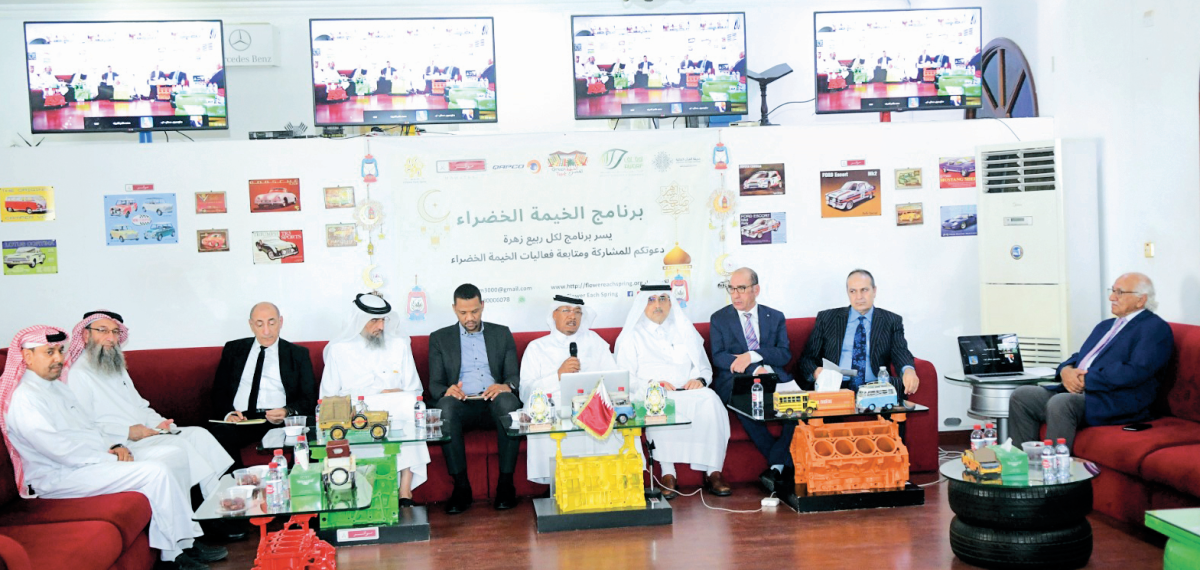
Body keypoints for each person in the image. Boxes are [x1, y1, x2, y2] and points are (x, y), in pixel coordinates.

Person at [1, 326, 221, 570]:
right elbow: (60, 451)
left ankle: (186, 540)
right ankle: (173, 555)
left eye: (60, 351)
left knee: (174, 455)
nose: (58, 359)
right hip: (59, 476)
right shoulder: (25, 399)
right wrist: (111, 458)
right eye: (49, 352)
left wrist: (114, 445)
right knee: (155, 472)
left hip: (90, 461)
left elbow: (89, 427)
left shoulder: (57, 387)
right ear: (28, 357)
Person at [63, 310, 234, 499]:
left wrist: (159, 423)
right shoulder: (77, 375)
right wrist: (127, 432)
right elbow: (83, 426)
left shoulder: (115, 367)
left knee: (199, 434)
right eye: (102, 330)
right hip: (118, 443)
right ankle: (215, 501)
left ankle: (219, 496)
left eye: (115, 332)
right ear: (86, 335)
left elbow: (140, 406)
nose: (110, 338)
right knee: (179, 445)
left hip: (144, 434)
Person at [1008, 273, 1173, 448]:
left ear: (1141, 300)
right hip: (1085, 394)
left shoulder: (1154, 328)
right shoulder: (1106, 325)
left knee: (1061, 403)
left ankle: (1054, 463)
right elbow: (1082, 356)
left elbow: (1136, 371)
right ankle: (1021, 461)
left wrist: (1087, 379)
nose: (1112, 297)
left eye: (1119, 292)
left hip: (1115, 401)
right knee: (1022, 396)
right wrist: (1066, 370)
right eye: (1112, 291)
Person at [615, 284, 730, 499]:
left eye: (663, 299)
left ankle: (713, 471)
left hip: (688, 391)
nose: (657, 305)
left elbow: (704, 368)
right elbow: (625, 377)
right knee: (657, 404)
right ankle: (668, 473)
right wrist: (652, 385)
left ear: (671, 303)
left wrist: (699, 380)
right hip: (652, 392)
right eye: (651, 299)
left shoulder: (685, 330)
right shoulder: (632, 335)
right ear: (642, 304)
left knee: (711, 400)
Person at [520, 295, 644, 485]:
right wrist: (558, 376)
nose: (573, 316)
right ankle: (560, 483)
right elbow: (525, 391)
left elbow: (614, 376)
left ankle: (614, 481)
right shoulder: (537, 347)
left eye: (577, 312)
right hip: (557, 407)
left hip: (596, 405)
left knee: (618, 415)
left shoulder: (595, 341)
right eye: (566, 311)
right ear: (554, 315)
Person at [321, 293, 431, 507]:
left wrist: (396, 393)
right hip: (356, 411)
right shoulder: (339, 349)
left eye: (383, 320)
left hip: (394, 408)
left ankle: (405, 490)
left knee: (409, 403)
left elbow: (415, 389)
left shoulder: (399, 344)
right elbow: (327, 397)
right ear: (359, 320)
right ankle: (361, 488)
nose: (380, 326)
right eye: (374, 320)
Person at [428, 284, 521, 514]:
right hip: (461, 404)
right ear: (454, 309)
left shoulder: (502, 334)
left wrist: (505, 386)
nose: (470, 318)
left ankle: (506, 485)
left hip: (494, 402)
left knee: (509, 403)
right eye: (463, 312)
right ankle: (461, 488)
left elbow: (514, 377)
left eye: (475, 311)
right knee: (445, 408)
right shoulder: (439, 338)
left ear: (483, 306)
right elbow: (435, 385)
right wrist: (448, 391)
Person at [709, 268, 794, 490]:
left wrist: (752, 355)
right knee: (745, 403)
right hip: (736, 380)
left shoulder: (775, 317)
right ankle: (783, 464)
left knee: (797, 408)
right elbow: (719, 357)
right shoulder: (719, 319)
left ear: (756, 290)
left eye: (741, 288)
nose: (735, 294)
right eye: (731, 289)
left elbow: (784, 354)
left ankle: (776, 465)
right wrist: (754, 368)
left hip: (774, 376)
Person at [210, 302, 316, 468]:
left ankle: (294, 476)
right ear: (251, 325)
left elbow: (309, 397)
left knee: (308, 431)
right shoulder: (233, 350)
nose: (266, 331)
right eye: (260, 324)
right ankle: (239, 480)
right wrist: (229, 414)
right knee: (219, 433)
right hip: (242, 420)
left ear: (280, 322)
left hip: (279, 420)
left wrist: (287, 411)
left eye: (272, 323)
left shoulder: (297, 354)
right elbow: (219, 390)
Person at [795, 269, 920, 396]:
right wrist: (816, 371)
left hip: (875, 387)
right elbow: (807, 358)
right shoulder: (827, 318)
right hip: (836, 387)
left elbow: (900, 351)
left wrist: (908, 370)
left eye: (864, 290)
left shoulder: (891, 321)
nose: (859, 297)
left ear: (874, 291)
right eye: (853, 291)